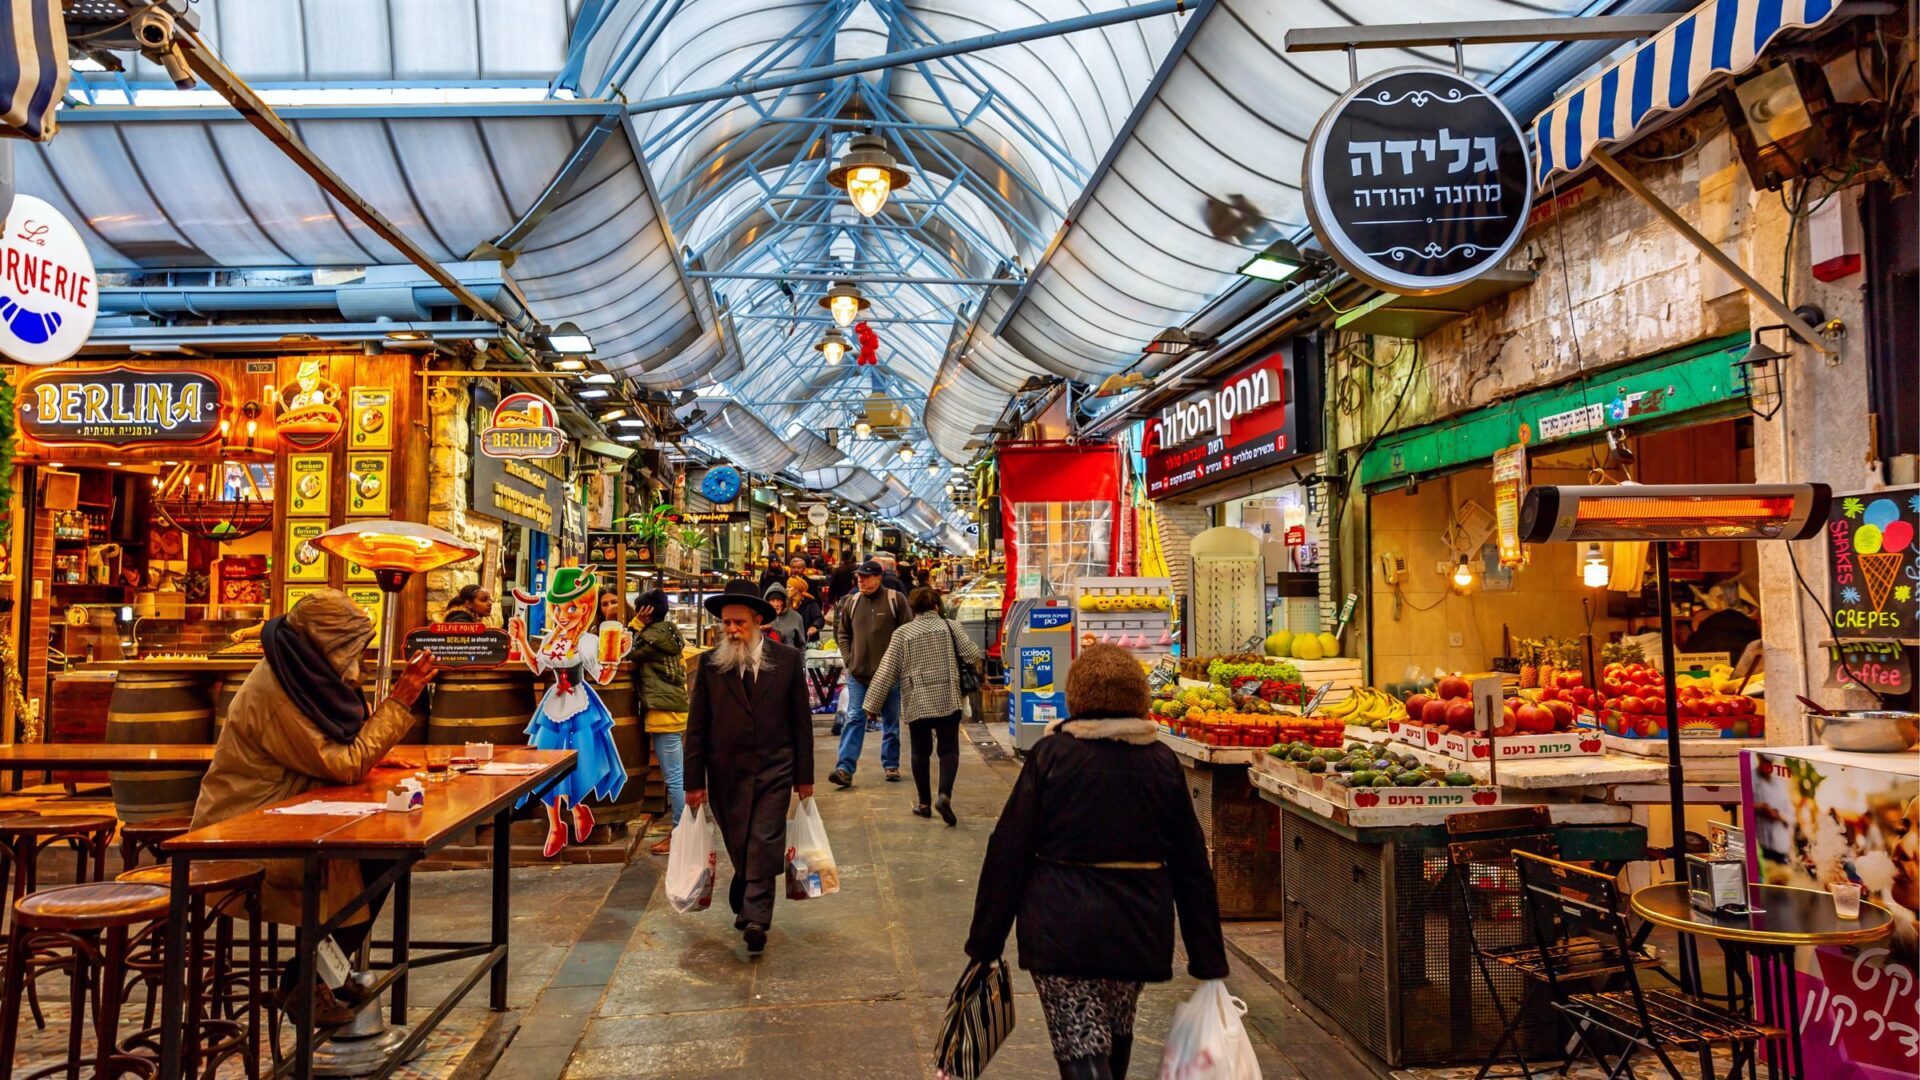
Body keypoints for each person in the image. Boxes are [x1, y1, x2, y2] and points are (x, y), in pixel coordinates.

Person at [964, 644, 1229, 1079]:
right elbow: (1191, 866)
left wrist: (986, 943)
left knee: (1080, 1044)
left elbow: (1008, 851)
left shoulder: (1052, 757)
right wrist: (1207, 957)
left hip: (1060, 927)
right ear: (1140, 698)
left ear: (1076, 697)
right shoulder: (1162, 763)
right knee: (1115, 1031)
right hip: (1137, 927)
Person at [192, 590, 442, 1024]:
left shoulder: (301, 675)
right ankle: (305, 980)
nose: (357, 663)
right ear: (328, 646)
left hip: (291, 813)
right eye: (352, 651)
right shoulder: (276, 691)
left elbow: (336, 744)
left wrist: (374, 750)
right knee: (371, 861)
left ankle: (325, 970)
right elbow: (343, 762)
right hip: (251, 831)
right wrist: (400, 701)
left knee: (386, 855)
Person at [684, 580, 814, 955]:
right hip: (725, 772)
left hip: (776, 768)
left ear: (758, 621)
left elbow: (801, 722)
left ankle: (757, 918)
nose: (731, 630)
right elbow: (696, 727)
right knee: (739, 840)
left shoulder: (787, 660)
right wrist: (694, 783)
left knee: (765, 837)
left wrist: (804, 778)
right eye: (726, 624)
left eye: (738, 622)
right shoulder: (710, 664)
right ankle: (744, 886)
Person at [508, 567, 632, 858]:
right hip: (552, 704)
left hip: (580, 703)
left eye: (572, 607)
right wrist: (523, 640)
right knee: (546, 761)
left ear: (586, 608)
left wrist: (616, 656)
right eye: (558, 608)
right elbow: (538, 668)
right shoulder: (551, 638)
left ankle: (578, 810)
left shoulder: (589, 641)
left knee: (578, 762)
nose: (563, 615)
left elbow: (602, 678)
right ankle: (555, 825)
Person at [862, 587, 982, 824]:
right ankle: (944, 795)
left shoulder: (902, 634)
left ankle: (924, 804)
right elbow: (972, 655)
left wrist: (872, 705)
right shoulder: (951, 627)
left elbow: (887, 671)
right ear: (937, 606)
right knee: (948, 749)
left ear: (913, 609)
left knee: (920, 751)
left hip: (917, 699)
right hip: (948, 696)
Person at [830, 560, 911, 787]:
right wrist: (849, 658)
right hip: (858, 674)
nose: (861, 581)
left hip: (888, 676)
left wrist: (897, 665)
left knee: (891, 721)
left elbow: (907, 632)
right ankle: (844, 768)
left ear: (878, 577)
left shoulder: (896, 600)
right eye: (859, 577)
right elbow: (842, 633)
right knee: (855, 717)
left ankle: (891, 763)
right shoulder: (852, 602)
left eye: (866, 577)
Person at [630, 590, 688, 858]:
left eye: (638, 609)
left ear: (646, 612)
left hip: (664, 712)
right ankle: (685, 828)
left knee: (675, 778)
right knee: (678, 775)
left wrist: (635, 625)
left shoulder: (649, 639)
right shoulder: (668, 633)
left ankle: (681, 834)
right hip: (674, 709)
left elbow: (622, 652)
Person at [786, 575, 824, 643]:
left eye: (789, 587)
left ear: (797, 589)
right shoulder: (787, 604)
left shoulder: (810, 603)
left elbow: (819, 618)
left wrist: (814, 626)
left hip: (807, 641)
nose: (786, 589)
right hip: (791, 641)